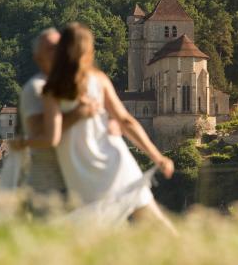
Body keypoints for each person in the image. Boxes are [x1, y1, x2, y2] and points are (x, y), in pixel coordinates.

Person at [14, 23, 176, 233]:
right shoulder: (98, 80)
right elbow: (127, 121)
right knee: (157, 224)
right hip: (116, 162)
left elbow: (51, 139)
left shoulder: (52, 90)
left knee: (95, 236)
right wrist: (158, 157)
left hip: (82, 175)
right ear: (88, 50)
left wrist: (23, 142)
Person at [18, 28, 99, 195]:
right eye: (51, 48)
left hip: (75, 178)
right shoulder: (36, 88)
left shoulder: (72, 82)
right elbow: (45, 136)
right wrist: (80, 113)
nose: (58, 52)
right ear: (38, 58)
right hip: (49, 182)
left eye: (60, 47)